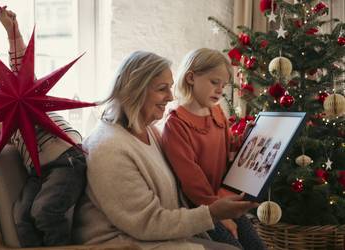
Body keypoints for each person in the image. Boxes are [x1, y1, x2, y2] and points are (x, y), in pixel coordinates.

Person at [72, 50, 258, 250]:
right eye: (162, 89)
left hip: (159, 235)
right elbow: (146, 223)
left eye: (170, 88)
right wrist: (212, 213)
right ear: (135, 90)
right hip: (124, 243)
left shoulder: (149, 130)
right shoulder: (109, 149)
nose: (170, 97)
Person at [0, 7, 87, 247]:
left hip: (68, 159)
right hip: (40, 171)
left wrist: (12, 32)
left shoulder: (22, 101)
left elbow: (21, 67)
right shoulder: (15, 141)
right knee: (21, 217)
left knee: (44, 211)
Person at [161, 48, 266, 250]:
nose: (220, 90)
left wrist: (247, 139)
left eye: (223, 85)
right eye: (214, 82)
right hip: (201, 208)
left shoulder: (216, 111)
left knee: (257, 245)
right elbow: (192, 180)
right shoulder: (176, 123)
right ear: (191, 77)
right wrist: (217, 213)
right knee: (233, 245)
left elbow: (227, 147)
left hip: (223, 198)